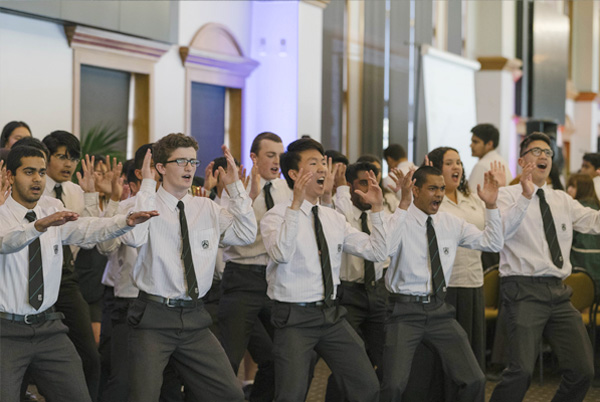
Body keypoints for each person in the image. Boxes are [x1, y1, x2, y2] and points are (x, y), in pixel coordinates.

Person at [0, 145, 156, 402]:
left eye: (40, 172)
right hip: (6, 330)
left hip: (48, 327)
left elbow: (87, 229)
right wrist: (37, 227)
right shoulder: (5, 213)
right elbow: (6, 242)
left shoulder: (51, 209)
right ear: (9, 175)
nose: (37, 178)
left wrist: (123, 222)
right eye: (29, 172)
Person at [122, 133, 256, 402]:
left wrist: (235, 188)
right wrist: (147, 186)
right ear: (161, 167)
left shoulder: (206, 207)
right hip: (154, 317)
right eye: (181, 161)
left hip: (195, 317)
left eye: (193, 162)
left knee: (230, 394)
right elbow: (133, 237)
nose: (189, 168)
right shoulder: (138, 204)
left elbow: (246, 234)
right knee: (142, 397)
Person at [261, 138, 395, 402]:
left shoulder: (333, 218)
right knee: (290, 395)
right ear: (294, 174)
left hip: (331, 315)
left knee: (366, 386)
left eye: (323, 163)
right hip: (294, 319)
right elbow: (281, 254)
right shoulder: (275, 217)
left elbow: (377, 252)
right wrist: (296, 205)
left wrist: (377, 209)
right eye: (314, 164)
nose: (323, 169)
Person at [381, 164, 518, 402]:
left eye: (442, 189)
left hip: (438, 311)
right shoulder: (398, 220)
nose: (440, 195)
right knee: (393, 386)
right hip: (404, 312)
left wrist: (491, 205)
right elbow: (385, 248)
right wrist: (402, 204)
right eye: (433, 189)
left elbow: (493, 244)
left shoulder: (450, 223)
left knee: (474, 379)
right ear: (415, 189)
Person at [490, 132, 598, 402]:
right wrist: (526, 197)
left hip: (559, 292)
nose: (544, 157)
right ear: (521, 160)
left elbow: (593, 222)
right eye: (536, 151)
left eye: (548, 153)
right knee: (521, 372)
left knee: (583, 370)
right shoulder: (504, 195)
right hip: (522, 290)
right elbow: (499, 233)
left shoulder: (561, 199)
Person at [217, 132, 288, 402]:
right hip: (241, 278)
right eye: (270, 155)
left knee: (277, 358)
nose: (276, 161)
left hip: (272, 279)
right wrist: (247, 199)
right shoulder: (236, 187)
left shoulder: (286, 189)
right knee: (228, 361)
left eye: (280, 156)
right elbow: (224, 233)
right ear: (254, 158)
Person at [42, 130, 104, 401]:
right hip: (37, 275)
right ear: (46, 156)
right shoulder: (31, 188)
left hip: (67, 276)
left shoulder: (75, 191)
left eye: (73, 158)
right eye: (62, 157)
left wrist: (92, 195)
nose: (68, 164)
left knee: (89, 354)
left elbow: (89, 239)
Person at [324, 161, 391, 401]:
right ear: (350, 187)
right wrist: (339, 190)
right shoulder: (337, 214)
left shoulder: (381, 213)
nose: (370, 188)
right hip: (349, 294)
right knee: (348, 363)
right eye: (363, 182)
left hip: (377, 292)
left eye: (374, 183)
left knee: (387, 360)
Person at [567, 173, 600, 288]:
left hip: (580, 272)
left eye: (573, 186)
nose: (568, 189)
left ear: (583, 189)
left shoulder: (577, 212)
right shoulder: (597, 207)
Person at [468, 123, 512, 193]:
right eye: (471, 141)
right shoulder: (502, 161)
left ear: (489, 144)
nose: (471, 145)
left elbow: (472, 197)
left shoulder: (482, 165)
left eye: (475, 142)